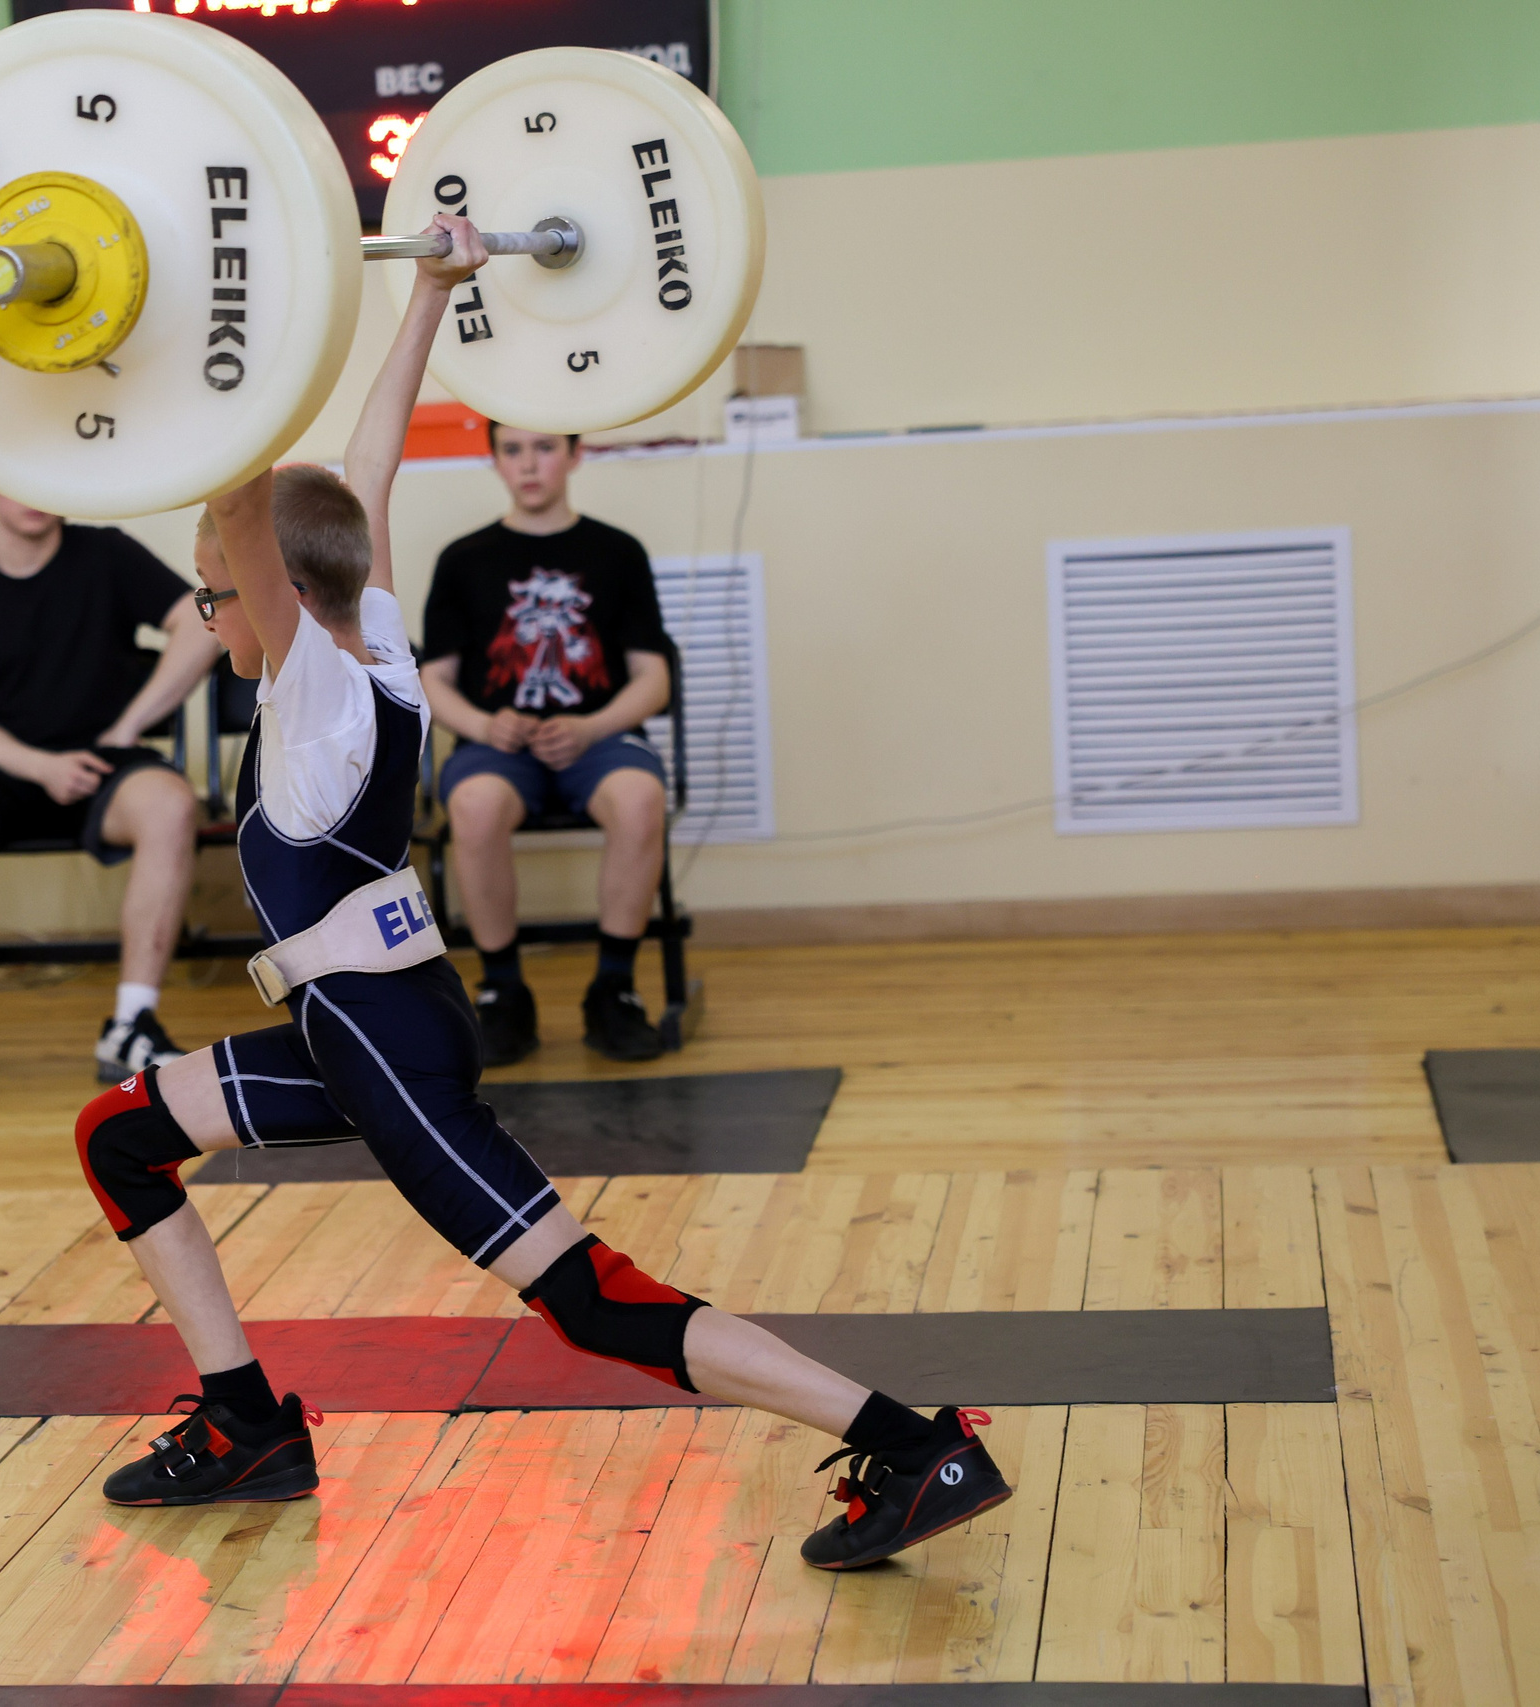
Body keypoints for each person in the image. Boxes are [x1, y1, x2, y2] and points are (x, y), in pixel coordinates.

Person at [70, 216, 1008, 1572]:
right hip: (358, 1028)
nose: (203, 610)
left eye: (213, 592)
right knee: (121, 1132)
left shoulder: (320, 696)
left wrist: (226, 372)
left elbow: (264, 511)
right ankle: (243, 1422)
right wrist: (428, 297)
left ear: (264, 592)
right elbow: (364, 475)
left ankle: (916, 1441)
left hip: (389, 1050)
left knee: (590, 1300)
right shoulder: (370, 633)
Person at [0, 490, 217, 1092]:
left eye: (43, 480)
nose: (33, 495)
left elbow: (201, 621)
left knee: (171, 803)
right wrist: (42, 768)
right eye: (14, 480)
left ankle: (132, 1024)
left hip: (104, 761)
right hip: (0, 767)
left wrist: (126, 728)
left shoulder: (107, 554)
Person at [421, 426, 675, 1065]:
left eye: (543, 448)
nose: (529, 464)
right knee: (474, 807)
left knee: (641, 797)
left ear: (575, 455)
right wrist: (485, 727)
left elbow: (654, 677)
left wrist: (593, 726)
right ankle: (504, 992)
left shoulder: (618, 552)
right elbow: (434, 681)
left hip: (600, 739)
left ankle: (613, 990)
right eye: (513, 450)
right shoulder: (463, 559)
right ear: (495, 461)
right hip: (498, 746)